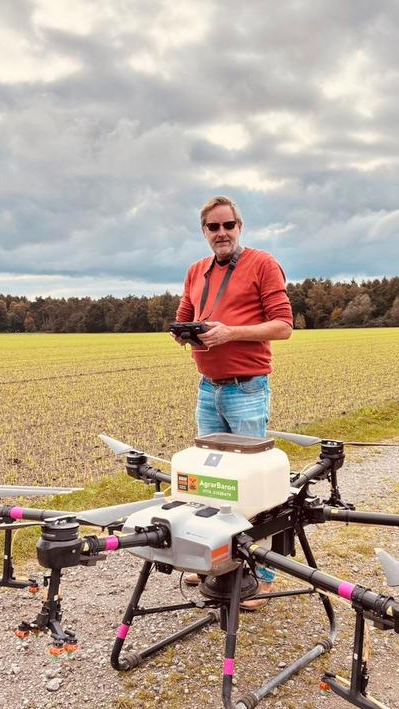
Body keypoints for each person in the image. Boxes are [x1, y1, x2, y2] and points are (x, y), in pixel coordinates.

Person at [172, 195, 293, 608]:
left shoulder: (263, 263)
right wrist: (183, 332)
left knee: (253, 486)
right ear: (203, 232)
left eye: (228, 226)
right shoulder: (195, 270)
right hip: (208, 387)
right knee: (209, 482)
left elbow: (283, 327)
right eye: (213, 228)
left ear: (239, 227)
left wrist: (229, 333)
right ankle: (214, 561)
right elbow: (185, 313)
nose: (221, 234)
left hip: (246, 387)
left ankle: (263, 575)